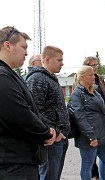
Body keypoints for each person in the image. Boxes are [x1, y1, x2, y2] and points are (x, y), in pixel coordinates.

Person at [0, 26, 56, 179]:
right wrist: (45, 132)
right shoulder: (2, 77)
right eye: (23, 47)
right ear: (7, 45)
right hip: (13, 166)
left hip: (21, 162)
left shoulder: (11, 75)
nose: (26, 53)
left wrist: (48, 127)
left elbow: (32, 110)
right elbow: (19, 116)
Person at [25, 46, 70, 180]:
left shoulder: (50, 78)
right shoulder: (37, 79)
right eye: (59, 60)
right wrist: (54, 131)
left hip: (59, 138)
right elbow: (35, 110)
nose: (62, 63)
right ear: (47, 59)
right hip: (51, 140)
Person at [67, 65, 105, 180]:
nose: (94, 77)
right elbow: (79, 118)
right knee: (87, 164)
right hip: (88, 137)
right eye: (91, 75)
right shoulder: (77, 95)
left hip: (101, 134)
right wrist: (91, 136)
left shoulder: (94, 91)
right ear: (82, 77)